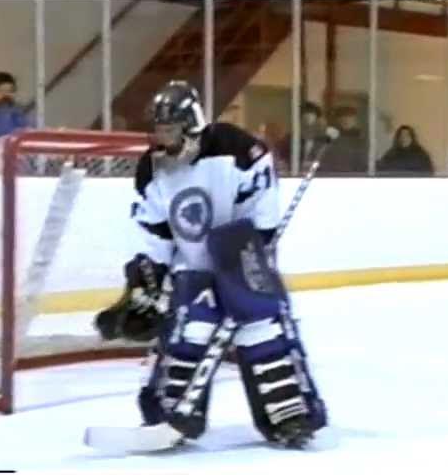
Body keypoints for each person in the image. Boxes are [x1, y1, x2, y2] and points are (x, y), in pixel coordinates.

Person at [93, 80, 327, 449]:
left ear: (192, 125)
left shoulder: (240, 150)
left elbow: (261, 219)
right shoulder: (151, 169)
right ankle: (168, 414)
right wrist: (145, 284)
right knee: (193, 329)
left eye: (169, 130)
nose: (161, 140)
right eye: (157, 131)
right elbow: (152, 233)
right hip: (192, 264)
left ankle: (291, 415)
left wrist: (238, 261)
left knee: (261, 325)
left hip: (242, 254)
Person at [322, 106, 368, 174]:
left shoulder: (362, 137)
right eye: (342, 118)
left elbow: (363, 161)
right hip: (333, 174)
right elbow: (324, 158)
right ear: (337, 120)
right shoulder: (330, 136)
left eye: (350, 118)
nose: (346, 120)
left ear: (355, 120)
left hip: (356, 175)